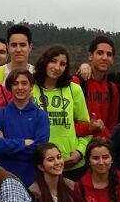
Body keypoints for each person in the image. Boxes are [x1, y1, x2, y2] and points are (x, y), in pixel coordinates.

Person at [34, 45, 92, 176]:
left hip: (71, 164)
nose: (56, 67)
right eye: (53, 61)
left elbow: (87, 127)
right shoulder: (31, 88)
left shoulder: (74, 89)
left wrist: (80, 152)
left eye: (62, 64)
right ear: (45, 61)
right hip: (41, 164)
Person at [0, 69, 49, 187]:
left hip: (33, 178)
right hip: (5, 178)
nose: (20, 87)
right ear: (10, 87)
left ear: (31, 86)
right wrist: (24, 143)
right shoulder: (0, 114)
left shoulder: (41, 115)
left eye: (24, 83)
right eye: (15, 83)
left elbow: (40, 149)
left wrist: (6, 145)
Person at [76, 36, 119, 139]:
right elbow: (67, 121)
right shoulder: (76, 82)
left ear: (112, 59)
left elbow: (112, 125)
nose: (104, 58)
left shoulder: (113, 89)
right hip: (77, 148)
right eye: (100, 53)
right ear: (90, 56)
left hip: (102, 149)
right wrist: (88, 128)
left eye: (109, 54)